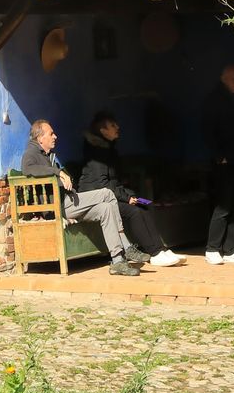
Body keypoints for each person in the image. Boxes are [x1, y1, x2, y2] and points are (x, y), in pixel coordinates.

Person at [21, 119, 148, 276]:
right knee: (107, 193)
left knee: (106, 208)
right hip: (58, 205)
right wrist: (58, 172)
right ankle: (126, 245)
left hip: (68, 201)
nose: (55, 136)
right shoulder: (31, 153)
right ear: (40, 138)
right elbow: (27, 169)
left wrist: (62, 175)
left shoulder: (48, 155)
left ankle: (118, 261)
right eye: (51, 133)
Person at [79, 111, 186, 267]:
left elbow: (114, 182)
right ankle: (154, 253)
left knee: (145, 202)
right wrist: (126, 198)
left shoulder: (109, 149)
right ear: (103, 131)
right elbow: (102, 185)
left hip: (112, 193)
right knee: (134, 210)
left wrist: (129, 195)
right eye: (113, 125)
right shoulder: (96, 153)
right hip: (98, 198)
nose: (118, 127)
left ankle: (162, 249)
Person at [203, 63, 234, 265]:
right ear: (224, 79)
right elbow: (207, 130)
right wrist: (218, 156)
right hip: (224, 160)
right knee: (223, 205)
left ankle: (230, 249)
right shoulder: (214, 100)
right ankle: (212, 248)